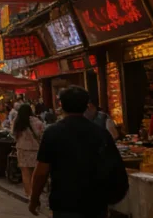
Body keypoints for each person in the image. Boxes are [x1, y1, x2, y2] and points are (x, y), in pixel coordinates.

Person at [29, 86, 128, 217]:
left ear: (61, 105)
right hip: (95, 203)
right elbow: (116, 166)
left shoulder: (52, 133)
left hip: (65, 203)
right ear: (86, 105)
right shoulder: (101, 133)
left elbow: (41, 172)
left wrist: (34, 199)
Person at [11, 104, 44, 197]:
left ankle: (28, 193)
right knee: (35, 173)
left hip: (22, 150)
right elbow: (42, 135)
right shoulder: (37, 122)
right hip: (35, 150)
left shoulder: (17, 122)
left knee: (25, 173)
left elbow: (13, 135)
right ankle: (35, 194)